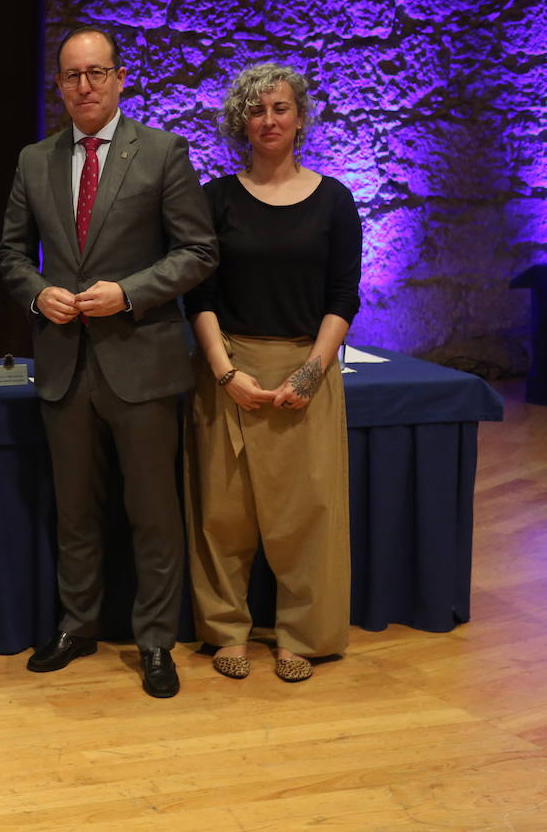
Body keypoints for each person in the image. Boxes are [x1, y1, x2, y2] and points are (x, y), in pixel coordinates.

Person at [0, 25, 217, 698]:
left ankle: (154, 640)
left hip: (142, 360)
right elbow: (9, 255)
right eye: (71, 76)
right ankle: (77, 625)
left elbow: (198, 251)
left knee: (152, 510)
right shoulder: (34, 161)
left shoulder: (163, 152)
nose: (84, 86)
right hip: (65, 362)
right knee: (75, 510)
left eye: (96, 73)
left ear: (121, 78)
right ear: (58, 86)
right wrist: (38, 294)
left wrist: (129, 292)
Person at [184, 63, 361, 683]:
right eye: (256, 110)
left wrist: (312, 372)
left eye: (280, 108)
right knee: (222, 514)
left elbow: (343, 296)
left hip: (307, 368)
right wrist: (225, 371)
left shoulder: (335, 200)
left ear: (300, 117)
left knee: (307, 511)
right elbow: (198, 295)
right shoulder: (214, 199)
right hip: (229, 368)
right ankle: (225, 628)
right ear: (241, 122)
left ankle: (302, 637)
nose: (268, 120)